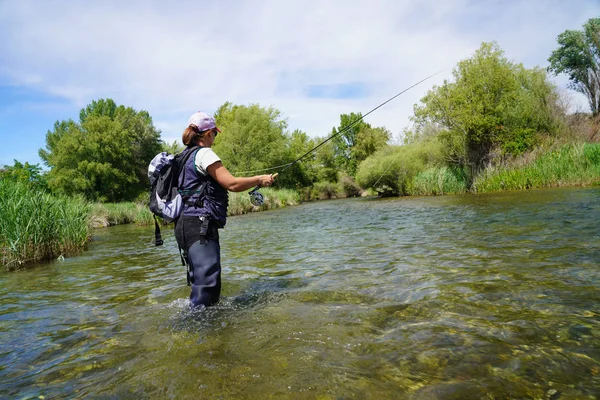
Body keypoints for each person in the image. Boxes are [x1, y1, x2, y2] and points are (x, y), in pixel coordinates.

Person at [174, 111, 275, 308]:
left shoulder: (182, 157)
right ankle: (193, 332)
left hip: (184, 225)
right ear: (209, 133)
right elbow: (232, 184)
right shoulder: (204, 154)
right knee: (207, 288)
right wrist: (259, 180)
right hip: (200, 225)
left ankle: (201, 331)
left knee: (200, 284)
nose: (215, 139)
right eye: (215, 134)